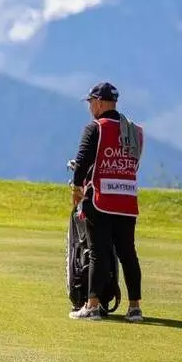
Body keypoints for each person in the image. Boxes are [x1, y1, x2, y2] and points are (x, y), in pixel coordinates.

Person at [68, 81, 144, 322]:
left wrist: (77, 188)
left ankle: (92, 305)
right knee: (128, 254)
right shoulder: (134, 130)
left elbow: (81, 162)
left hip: (100, 199)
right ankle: (134, 308)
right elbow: (134, 163)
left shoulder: (95, 128)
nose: (90, 107)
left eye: (91, 102)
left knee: (98, 253)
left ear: (99, 102)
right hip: (127, 199)